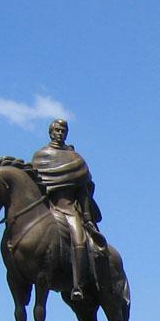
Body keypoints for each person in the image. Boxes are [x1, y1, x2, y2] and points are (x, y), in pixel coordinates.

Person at [31, 118, 104, 301]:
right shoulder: (40, 156)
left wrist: (86, 217)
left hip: (69, 209)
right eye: (56, 130)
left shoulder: (75, 159)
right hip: (47, 209)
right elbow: (33, 187)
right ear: (50, 132)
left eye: (63, 130)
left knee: (78, 238)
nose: (60, 133)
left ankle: (77, 285)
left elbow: (83, 191)